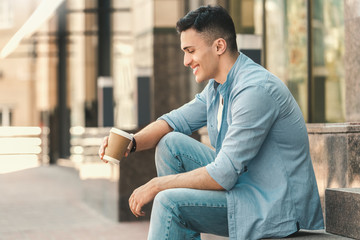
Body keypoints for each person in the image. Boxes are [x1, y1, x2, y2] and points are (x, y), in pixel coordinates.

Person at [99, 5, 324, 240]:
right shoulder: (218, 87)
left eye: (191, 50)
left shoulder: (254, 90)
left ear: (219, 46)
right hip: (244, 185)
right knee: (170, 145)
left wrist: (157, 185)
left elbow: (223, 174)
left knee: (168, 200)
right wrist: (131, 142)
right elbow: (174, 121)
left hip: (273, 207)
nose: (186, 61)